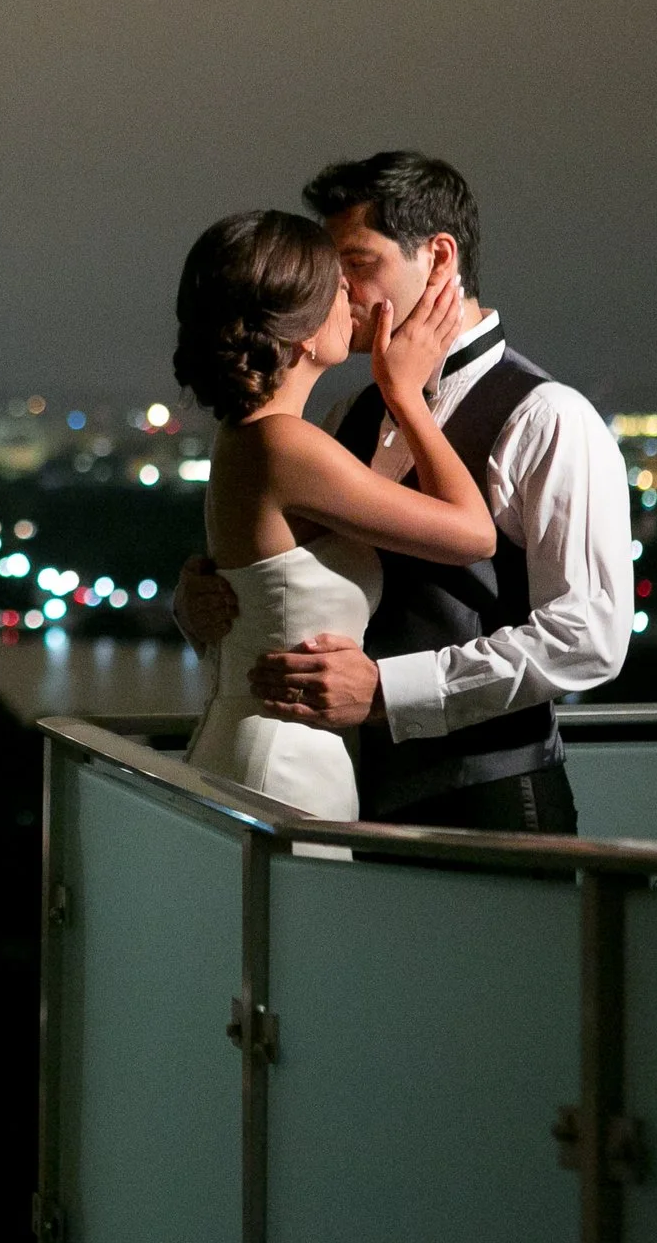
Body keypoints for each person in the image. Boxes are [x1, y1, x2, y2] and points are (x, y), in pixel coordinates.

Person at [175, 153, 634, 835]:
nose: (340, 290)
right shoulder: (344, 417)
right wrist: (205, 601)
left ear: (440, 257)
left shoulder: (547, 415)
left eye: (357, 264)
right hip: (352, 791)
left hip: (492, 795)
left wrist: (389, 690)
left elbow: (590, 636)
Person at [171, 209, 497, 837]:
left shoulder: (249, 439)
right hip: (283, 764)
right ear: (299, 332)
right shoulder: (286, 445)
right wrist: (404, 393)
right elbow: (473, 533)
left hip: (264, 748)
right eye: (337, 288)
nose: (354, 299)